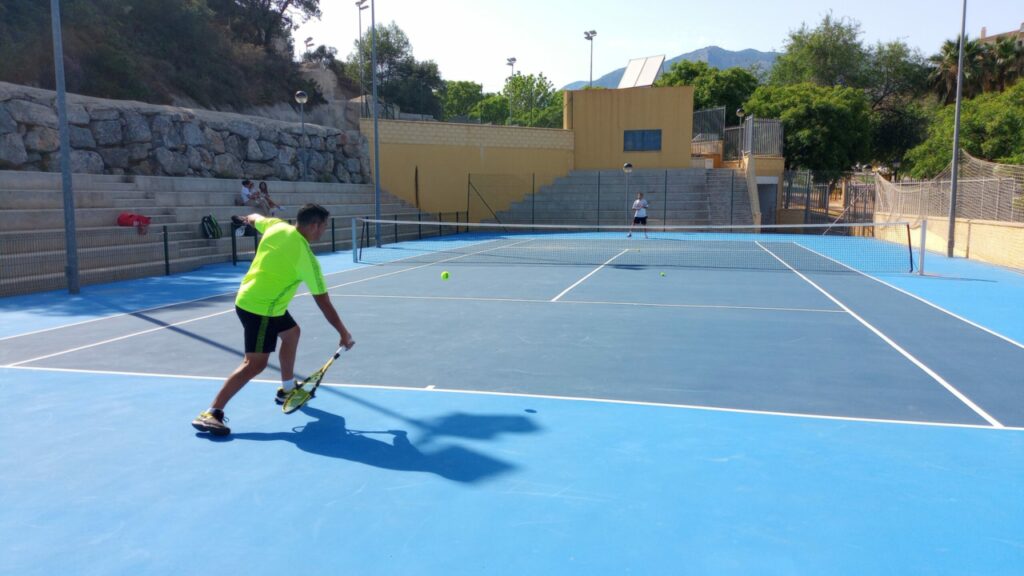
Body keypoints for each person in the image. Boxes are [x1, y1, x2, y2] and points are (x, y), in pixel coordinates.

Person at [191, 204, 355, 436]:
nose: (323, 232)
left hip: (253, 299)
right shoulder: (306, 257)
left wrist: (243, 218)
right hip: (261, 310)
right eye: (323, 227)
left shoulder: (277, 226)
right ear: (314, 226)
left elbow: (255, 218)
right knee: (255, 364)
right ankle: (212, 412)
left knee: (291, 333)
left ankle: (287, 389)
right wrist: (343, 333)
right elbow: (323, 302)